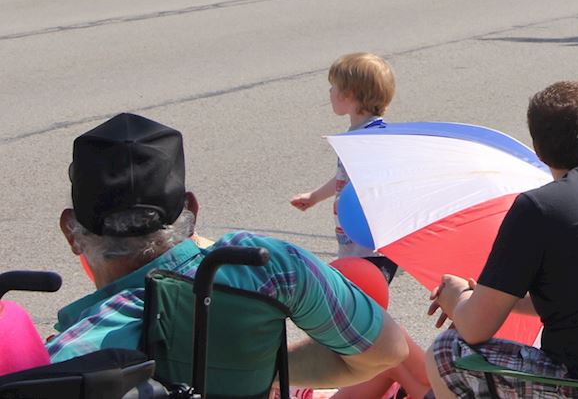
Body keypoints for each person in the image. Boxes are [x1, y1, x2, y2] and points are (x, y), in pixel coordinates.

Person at [48, 113, 409, 388]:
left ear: (70, 232)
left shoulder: (66, 361)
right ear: (191, 210)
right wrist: (257, 367)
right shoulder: (270, 268)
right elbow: (387, 351)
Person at [428, 82, 578, 397]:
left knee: (447, 351)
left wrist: (457, 297)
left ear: (538, 151)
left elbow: (474, 328)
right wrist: (497, 301)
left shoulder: (538, 208)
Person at [291, 53, 398, 282]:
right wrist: (315, 196)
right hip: (354, 245)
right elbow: (344, 177)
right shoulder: (357, 136)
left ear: (348, 95)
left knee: (365, 299)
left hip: (372, 249)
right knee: (356, 298)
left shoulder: (369, 140)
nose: (330, 92)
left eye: (334, 86)